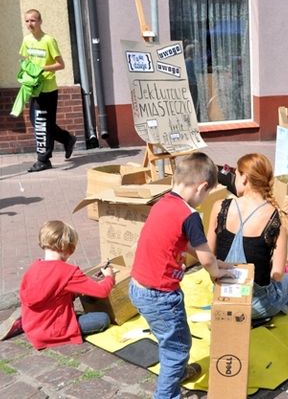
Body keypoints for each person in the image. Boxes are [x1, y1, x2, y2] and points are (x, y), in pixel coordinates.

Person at [129, 152, 234, 398]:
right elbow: (206, 259)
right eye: (207, 194)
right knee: (177, 348)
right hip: (161, 296)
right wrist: (216, 272)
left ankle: (176, 372)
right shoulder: (190, 215)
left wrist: (213, 260)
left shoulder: (163, 202)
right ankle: (167, 393)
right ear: (202, 187)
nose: (204, 200)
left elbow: (182, 243)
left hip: (139, 287)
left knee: (173, 339)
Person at [207, 153, 288, 319]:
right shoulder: (277, 217)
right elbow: (277, 273)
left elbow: (208, 255)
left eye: (236, 174)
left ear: (244, 178)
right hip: (257, 306)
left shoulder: (219, 207)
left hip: (222, 297)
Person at [18, 221, 115, 349]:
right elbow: (102, 291)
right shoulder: (68, 272)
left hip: (32, 327)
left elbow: (50, 292)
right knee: (103, 319)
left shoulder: (33, 268)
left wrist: (74, 292)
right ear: (68, 248)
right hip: (55, 330)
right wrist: (109, 277)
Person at [20, 9, 77, 172]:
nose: (30, 24)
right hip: (34, 88)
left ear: (40, 21)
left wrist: (41, 68)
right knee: (41, 122)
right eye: (27, 21)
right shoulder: (26, 40)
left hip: (48, 90)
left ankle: (43, 160)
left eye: (33, 20)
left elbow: (60, 64)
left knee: (41, 124)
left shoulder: (48, 40)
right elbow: (25, 60)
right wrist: (26, 75)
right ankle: (67, 139)